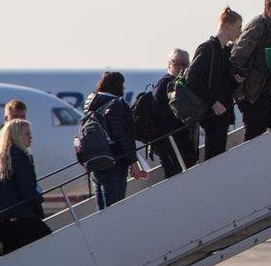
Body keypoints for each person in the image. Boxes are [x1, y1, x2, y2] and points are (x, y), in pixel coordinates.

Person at [182, 10, 242, 161]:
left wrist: (235, 78)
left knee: (218, 153)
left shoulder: (224, 51)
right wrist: (213, 102)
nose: (240, 32)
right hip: (212, 113)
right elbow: (192, 78)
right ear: (227, 27)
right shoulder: (208, 48)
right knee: (213, 155)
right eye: (238, 27)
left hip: (222, 112)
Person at [231, 0, 271, 143]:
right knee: (255, 131)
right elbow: (238, 56)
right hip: (251, 93)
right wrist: (241, 89)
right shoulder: (258, 26)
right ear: (268, 8)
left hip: (259, 92)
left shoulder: (267, 27)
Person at [0, 118, 50, 255]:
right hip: (18, 216)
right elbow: (27, 191)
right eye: (27, 134)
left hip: (1, 217)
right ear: (18, 136)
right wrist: (39, 199)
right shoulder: (20, 157)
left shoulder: (0, 158)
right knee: (49, 242)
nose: (31, 137)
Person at [81, 72, 138, 210]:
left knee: (102, 211)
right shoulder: (116, 104)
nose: (124, 89)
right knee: (115, 209)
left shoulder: (92, 105)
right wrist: (132, 161)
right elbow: (119, 136)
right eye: (122, 85)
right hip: (115, 164)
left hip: (97, 162)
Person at [141, 49, 194, 178]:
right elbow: (157, 110)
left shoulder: (181, 83)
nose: (182, 67)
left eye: (185, 64)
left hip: (179, 138)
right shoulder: (165, 83)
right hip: (168, 138)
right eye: (178, 63)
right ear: (170, 65)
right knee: (174, 174)